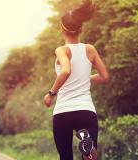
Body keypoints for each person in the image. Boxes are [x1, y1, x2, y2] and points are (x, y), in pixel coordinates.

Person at [43, 0, 109, 160]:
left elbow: (66, 70)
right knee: (90, 157)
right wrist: (84, 80)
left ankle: (88, 149)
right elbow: (104, 77)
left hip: (63, 112)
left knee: (65, 157)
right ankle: (88, 149)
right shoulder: (90, 49)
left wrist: (51, 93)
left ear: (62, 30)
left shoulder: (61, 50)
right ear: (81, 28)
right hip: (85, 110)